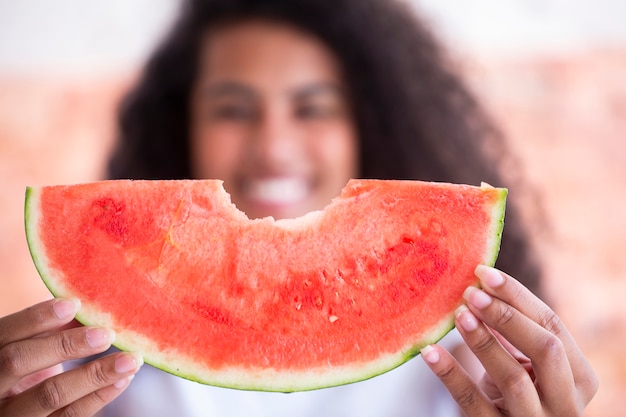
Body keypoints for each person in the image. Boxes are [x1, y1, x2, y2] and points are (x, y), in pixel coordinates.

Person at [0, 0, 598, 416]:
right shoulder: (92, 370)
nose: (274, 146)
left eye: (313, 108)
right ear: (182, 125)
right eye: (232, 109)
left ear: (370, 123)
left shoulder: (482, 366)